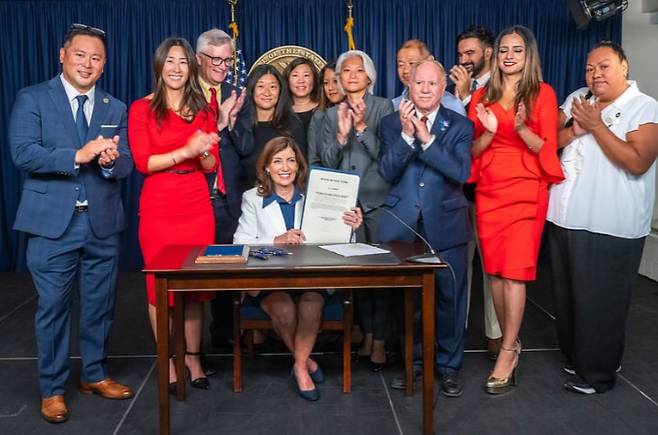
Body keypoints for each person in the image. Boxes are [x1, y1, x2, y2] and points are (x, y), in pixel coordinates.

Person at [9, 23, 134, 424]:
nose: (88, 63)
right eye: (80, 55)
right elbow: (23, 153)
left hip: (101, 222)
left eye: (96, 58)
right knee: (53, 308)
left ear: (104, 65)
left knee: (100, 305)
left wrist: (113, 164)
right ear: (62, 56)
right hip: (52, 226)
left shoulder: (115, 107)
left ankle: (94, 375)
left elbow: (128, 161)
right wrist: (76, 155)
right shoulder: (33, 98)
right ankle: (52, 388)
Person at [547, 41, 658, 395]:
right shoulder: (579, 97)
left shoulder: (644, 107)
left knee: (602, 301)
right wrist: (577, 128)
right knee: (568, 298)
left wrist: (595, 126)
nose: (595, 74)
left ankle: (598, 373)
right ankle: (578, 356)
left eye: (604, 66)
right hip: (566, 216)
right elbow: (554, 141)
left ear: (624, 67)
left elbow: (637, 162)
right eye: (590, 68)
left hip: (610, 223)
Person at [468, 25, 564, 394]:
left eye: (517, 50)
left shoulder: (542, 94)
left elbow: (548, 148)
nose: (509, 55)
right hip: (491, 190)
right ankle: (511, 343)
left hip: (526, 189)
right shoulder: (483, 94)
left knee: (514, 274)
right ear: (496, 55)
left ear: (529, 56)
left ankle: (508, 348)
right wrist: (490, 132)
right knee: (494, 272)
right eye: (504, 49)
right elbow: (473, 152)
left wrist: (521, 128)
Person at [233, 136, 363, 401]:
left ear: (299, 166)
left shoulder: (317, 197)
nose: (285, 167)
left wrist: (352, 226)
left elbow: (343, 243)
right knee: (284, 309)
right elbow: (240, 244)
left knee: (310, 306)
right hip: (271, 282)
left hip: (311, 279)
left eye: (291, 160)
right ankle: (305, 364)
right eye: (277, 160)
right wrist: (275, 240)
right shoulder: (252, 198)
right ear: (266, 167)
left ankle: (300, 367)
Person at [128, 37, 221, 394]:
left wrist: (207, 152)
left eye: (183, 62)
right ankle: (167, 360)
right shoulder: (142, 109)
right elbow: (143, 162)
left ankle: (194, 357)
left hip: (196, 202)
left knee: (194, 288)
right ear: (159, 66)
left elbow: (210, 165)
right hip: (160, 204)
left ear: (192, 67)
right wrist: (186, 149)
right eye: (170, 61)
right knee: (159, 289)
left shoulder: (203, 109)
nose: (177, 68)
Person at [379, 60, 473, 397]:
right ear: (410, 85)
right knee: (408, 303)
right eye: (420, 83)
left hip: (446, 225)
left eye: (433, 84)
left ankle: (449, 367)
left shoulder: (460, 126)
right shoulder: (390, 124)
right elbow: (387, 172)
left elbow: (460, 173)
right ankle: (413, 365)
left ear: (443, 87)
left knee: (450, 298)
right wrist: (406, 136)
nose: (425, 89)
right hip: (403, 226)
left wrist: (427, 139)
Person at [319, 50, 393, 371]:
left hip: (376, 204)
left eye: (357, 71)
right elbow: (326, 160)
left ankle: (380, 341)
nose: (350, 75)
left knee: (380, 277)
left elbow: (387, 159)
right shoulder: (329, 114)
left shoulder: (384, 107)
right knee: (357, 276)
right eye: (344, 70)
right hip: (345, 208)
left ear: (369, 77)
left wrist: (361, 128)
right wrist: (341, 134)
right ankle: (367, 334)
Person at [195, 28, 251, 355]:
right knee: (192, 275)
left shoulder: (236, 93)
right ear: (200, 59)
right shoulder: (185, 93)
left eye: (227, 60)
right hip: (194, 198)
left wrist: (229, 119)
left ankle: (223, 340)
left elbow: (245, 146)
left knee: (228, 275)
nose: (222, 66)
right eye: (215, 59)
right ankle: (191, 348)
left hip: (228, 202)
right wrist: (215, 120)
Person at [450, 25, 502, 359]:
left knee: (493, 267)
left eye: (470, 53)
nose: (464, 60)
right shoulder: (454, 88)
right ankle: (458, 330)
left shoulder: (501, 87)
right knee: (460, 264)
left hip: (491, 191)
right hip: (460, 192)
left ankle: (497, 337)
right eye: (460, 54)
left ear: (487, 52)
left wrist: (468, 97)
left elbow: (484, 135)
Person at [240, 64, 307, 192]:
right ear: (251, 89)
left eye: (273, 87)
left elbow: (301, 169)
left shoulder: (293, 124)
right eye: (260, 86)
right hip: (245, 200)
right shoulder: (240, 124)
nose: (267, 92)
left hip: (284, 199)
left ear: (280, 91)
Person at [392, 39, 465, 116]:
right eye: (401, 65)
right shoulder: (394, 105)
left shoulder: (453, 105)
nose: (406, 71)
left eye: (412, 63)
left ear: (430, 60)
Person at [307, 61, 344, 166]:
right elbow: (313, 159)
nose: (330, 88)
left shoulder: (360, 111)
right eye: (326, 83)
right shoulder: (318, 116)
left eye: (335, 81)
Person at [284, 57, 321, 136]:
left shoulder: (324, 109)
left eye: (306, 75)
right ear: (287, 80)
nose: (301, 81)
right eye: (295, 75)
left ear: (314, 79)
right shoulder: (280, 112)